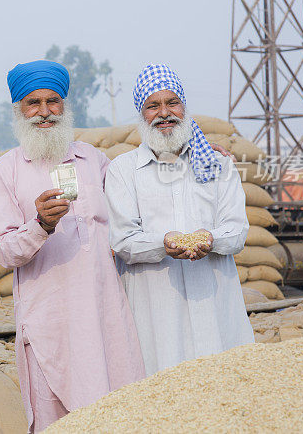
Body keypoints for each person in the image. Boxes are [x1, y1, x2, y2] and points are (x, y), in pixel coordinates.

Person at [0, 60, 145, 433]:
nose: (44, 112)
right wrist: (40, 225)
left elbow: (139, 192)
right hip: (49, 320)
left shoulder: (93, 160)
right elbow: (3, 251)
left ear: (65, 106)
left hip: (105, 317)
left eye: (53, 101)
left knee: (118, 411)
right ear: (18, 110)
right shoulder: (4, 172)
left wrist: (192, 152)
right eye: (32, 103)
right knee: (58, 419)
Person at [105, 63, 254, 377]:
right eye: (153, 105)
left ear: (184, 107)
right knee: (162, 391)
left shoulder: (216, 164)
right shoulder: (123, 170)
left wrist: (211, 238)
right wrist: (163, 243)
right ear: (141, 114)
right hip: (157, 309)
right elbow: (122, 239)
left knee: (223, 386)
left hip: (215, 304)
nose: (164, 113)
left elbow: (237, 229)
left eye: (172, 102)